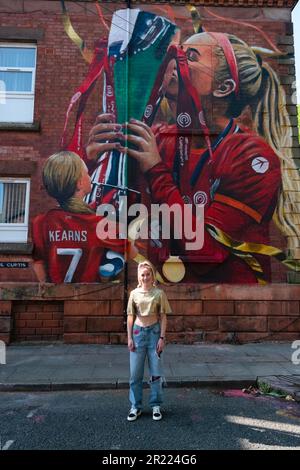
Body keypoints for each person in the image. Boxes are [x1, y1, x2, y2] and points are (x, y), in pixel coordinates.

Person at [87, 31, 300, 283]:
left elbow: (206, 249)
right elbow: (107, 219)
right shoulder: (156, 138)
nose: (173, 60)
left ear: (223, 88)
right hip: (156, 301)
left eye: (189, 56)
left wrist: (155, 170)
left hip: (225, 310)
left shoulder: (251, 155)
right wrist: (97, 163)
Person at [32, 151, 136, 283]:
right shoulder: (98, 223)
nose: (90, 176)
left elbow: (38, 263)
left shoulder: (40, 222)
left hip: (58, 299)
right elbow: (131, 251)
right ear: (80, 183)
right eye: (88, 173)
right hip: (87, 298)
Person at [127, 261, 171, 421]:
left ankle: (156, 405)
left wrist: (162, 338)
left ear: (152, 275)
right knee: (135, 374)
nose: (145, 277)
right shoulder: (134, 294)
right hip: (138, 333)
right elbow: (130, 316)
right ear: (139, 277)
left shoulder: (159, 293)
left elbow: (163, 317)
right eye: (143, 275)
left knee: (156, 373)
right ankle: (135, 406)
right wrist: (129, 338)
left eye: (148, 274)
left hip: (154, 333)